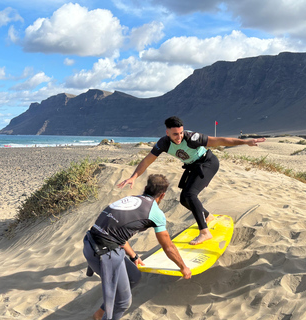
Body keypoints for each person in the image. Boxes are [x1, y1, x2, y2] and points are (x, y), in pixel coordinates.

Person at [117, 116, 266, 245]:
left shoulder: (192, 138)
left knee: (190, 195)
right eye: (175, 134)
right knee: (184, 199)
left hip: (208, 163)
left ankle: (205, 232)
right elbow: (147, 160)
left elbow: (219, 140)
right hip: (193, 166)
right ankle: (208, 216)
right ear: (167, 132)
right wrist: (133, 177)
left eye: (181, 133)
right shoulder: (163, 143)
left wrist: (245, 142)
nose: (179, 136)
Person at [83, 174, 191, 320]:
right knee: (123, 302)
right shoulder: (156, 213)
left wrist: (134, 256)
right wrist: (183, 267)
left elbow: (117, 233)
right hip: (104, 254)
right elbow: (168, 247)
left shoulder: (130, 199)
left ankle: (99, 313)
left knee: (134, 276)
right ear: (163, 195)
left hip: (90, 244)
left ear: (145, 188)